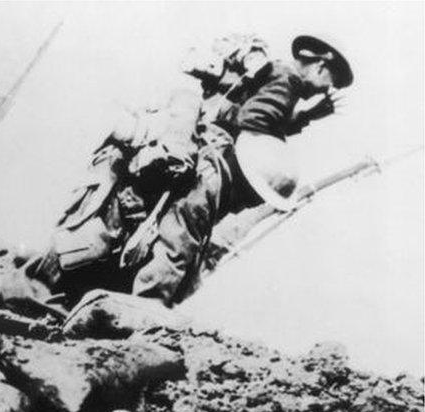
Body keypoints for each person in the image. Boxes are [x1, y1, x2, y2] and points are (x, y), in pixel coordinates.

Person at [131, 35, 352, 305]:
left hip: (211, 153)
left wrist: (304, 117)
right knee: (182, 240)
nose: (322, 92)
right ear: (320, 66)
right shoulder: (289, 80)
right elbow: (253, 120)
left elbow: (260, 116)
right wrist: (300, 120)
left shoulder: (276, 73)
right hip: (217, 162)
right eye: (327, 85)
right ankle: (147, 305)